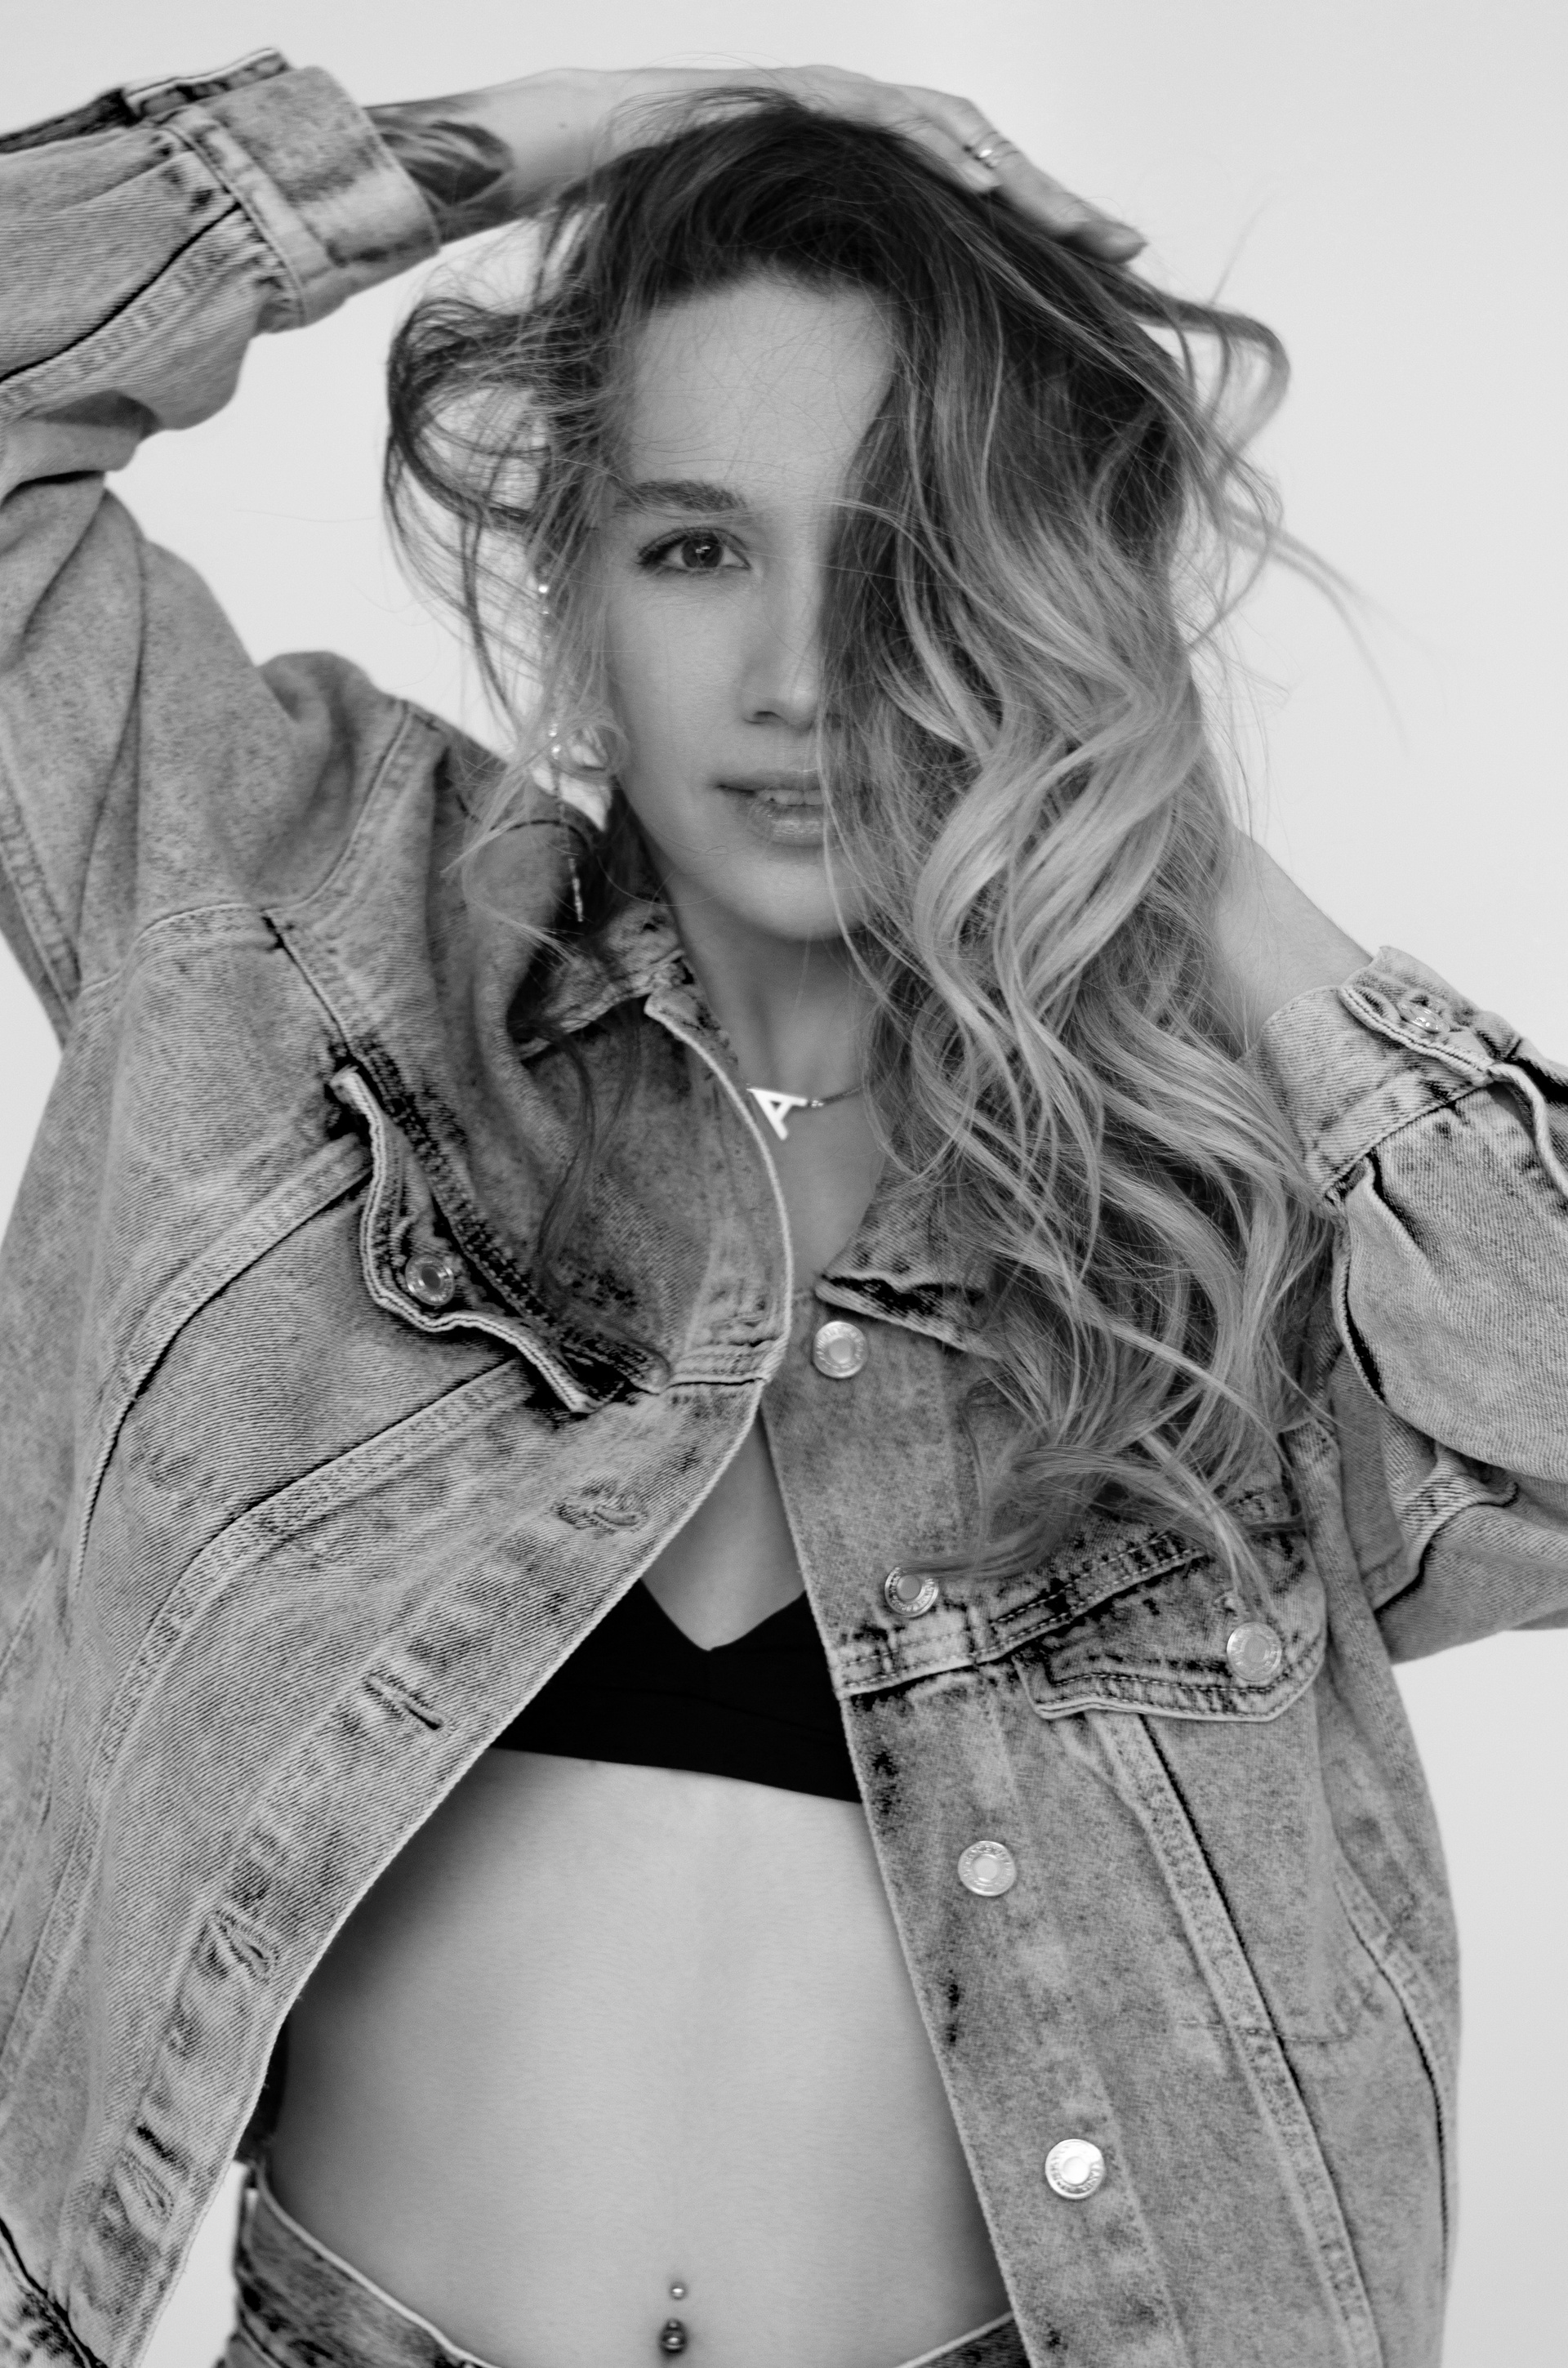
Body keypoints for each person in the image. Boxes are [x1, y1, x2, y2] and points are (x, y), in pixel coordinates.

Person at [1, 44, 1565, 2368]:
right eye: (697, 545)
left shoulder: (1196, 1215)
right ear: (576, 581)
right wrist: (605, 129)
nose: (806, 674)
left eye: (914, 566)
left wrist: (1126, 781)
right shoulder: (309, 937)